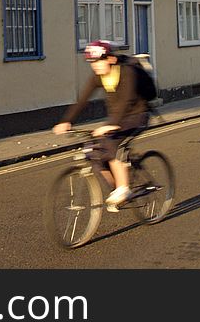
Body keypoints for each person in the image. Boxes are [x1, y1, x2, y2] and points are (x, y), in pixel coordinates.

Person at [53, 40, 150, 211]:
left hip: (138, 114)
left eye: (99, 61)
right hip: (118, 117)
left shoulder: (127, 72)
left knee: (113, 145)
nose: (95, 66)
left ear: (111, 59)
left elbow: (127, 100)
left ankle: (123, 189)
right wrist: (66, 121)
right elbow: (82, 100)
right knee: (94, 152)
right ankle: (117, 188)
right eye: (92, 62)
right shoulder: (98, 77)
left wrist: (111, 124)